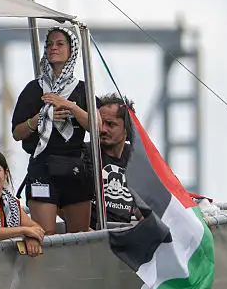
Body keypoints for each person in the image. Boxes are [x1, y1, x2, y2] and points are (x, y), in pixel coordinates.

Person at [11, 25, 92, 234]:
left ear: (72, 50)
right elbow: (17, 133)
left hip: (74, 167)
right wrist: (41, 118)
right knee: (45, 234)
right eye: (49, 44)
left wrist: (69, 105)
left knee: (80, 236)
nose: (53, 48)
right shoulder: (34, 89)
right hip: (43, 167)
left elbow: (96, 126)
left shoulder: (84, 89)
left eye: (59, 44)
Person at [85, 94, 136, 227]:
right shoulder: (83, 153)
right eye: (101, 122)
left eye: (111, 124)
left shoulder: (136, 157)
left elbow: (146, 205)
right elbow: (61, 203)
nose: (102, 129)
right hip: (89, 237)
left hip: (122, 236)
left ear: (127, 129)